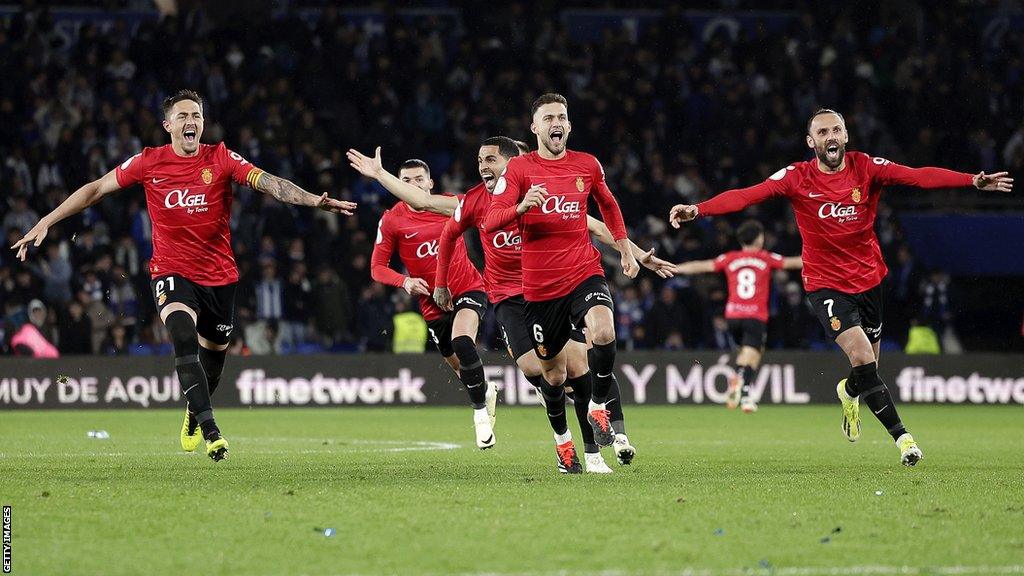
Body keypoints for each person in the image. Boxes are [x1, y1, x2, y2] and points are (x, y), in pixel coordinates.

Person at [12, 89, 356, 461]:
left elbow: (270, 183)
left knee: (214, 363)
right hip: (171, 271)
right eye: (183, 116)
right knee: (180, 333)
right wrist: (45, 221)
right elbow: (96, 189)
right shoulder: (148, 162)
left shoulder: (220, 158)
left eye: (197, 116)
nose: (191, 122)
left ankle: (193, 412)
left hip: (220, 276)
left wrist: (313, 200)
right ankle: (211, 431)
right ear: (167, 125)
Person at [669, 108, 1013, 466]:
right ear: (810, 141)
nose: (830, 137)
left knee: (868, 372)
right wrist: (699, 209)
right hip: (825, 285)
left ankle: (848, 392)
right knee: (863, 358)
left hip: (869, 281)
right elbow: (747, 195)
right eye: (822, 132)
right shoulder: (796, 176)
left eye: (836, 130)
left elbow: (917, 177)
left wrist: (971, 180)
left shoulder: (866, 167)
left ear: (846, 136)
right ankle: (904, 439)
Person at [350, 136, 671, 472]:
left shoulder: (545, 196)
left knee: (579, 367)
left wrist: (634, 253)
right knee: (542, 373)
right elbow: (424, 201)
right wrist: (381, 175)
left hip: (551, 290)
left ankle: (597, 450)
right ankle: (565, 439)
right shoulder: (476, 201)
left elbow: (597, 226)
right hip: (509, 298)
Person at [484, 93, 638, 453]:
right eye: (548, 117)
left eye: (562, 117)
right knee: (552, 373)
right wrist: (521, 207)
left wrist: (626, 248)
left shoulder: (587, 165)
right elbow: (492, 221)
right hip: (540, 287)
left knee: (603, 330)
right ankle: (563, 441)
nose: (557, 123)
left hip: (584, 270)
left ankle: (598, 406)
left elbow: (609, 206)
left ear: (568, 125)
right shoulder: (519, 171)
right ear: (535, 127)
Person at [360, 157, 497, 449]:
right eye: (406, 181)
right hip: (431, 302)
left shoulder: (451, 205)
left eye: (419, 179)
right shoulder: (392, 219)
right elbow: (377, 268)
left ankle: (480, 417)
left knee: (463, 341)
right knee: (458, 365)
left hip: (467, 288)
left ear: (430, 183)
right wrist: (405, 282)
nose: (413, 185)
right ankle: (484, 391)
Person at [673, 220, 802, 413]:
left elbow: (703, 265)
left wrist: (676, 268)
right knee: (751, 353)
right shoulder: (765, 257)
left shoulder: (730, 258)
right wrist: (829, 257)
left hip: (732, 316)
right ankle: (739, 381)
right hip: (755, 316)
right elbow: (794, 262)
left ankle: (747, 394)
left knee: (751, 352)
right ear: (759, 238)